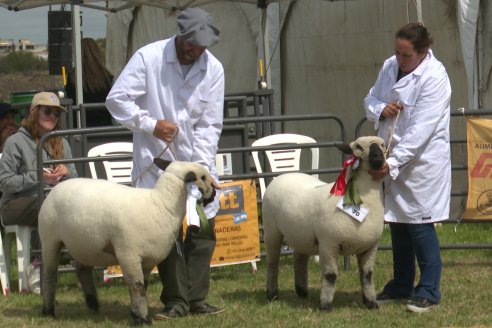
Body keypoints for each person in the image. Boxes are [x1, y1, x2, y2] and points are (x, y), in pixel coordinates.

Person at [105, 7, 224, 320]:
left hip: (196, 160)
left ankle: (196, 299)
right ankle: (176, 301)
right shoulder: (149, 57)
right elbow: (116, 100)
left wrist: (201, 169)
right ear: (180, 35)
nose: (193, 51)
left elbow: (210, 124)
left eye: (200, 47)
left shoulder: (213, 69)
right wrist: (150, 124)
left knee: (202, 227)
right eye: (188, 44)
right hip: (156, 162)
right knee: (163, 232)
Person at [364, 23, 451, 313]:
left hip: (421, 163)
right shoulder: (390, 66)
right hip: (393, 156)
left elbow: (421, 131)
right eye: (397, 53)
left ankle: (429, 290)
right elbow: (371, 99)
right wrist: (381, 109)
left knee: (421, 225)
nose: (399, 60)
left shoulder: (435, 78)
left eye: (406, 55)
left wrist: (391, 163)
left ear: (423, 52)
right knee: (398, 224)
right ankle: (401, 284)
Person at [0, 92, 78, 294]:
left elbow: (76, 181)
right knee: (47, 207)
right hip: (13, 205)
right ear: (33, 112)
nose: (52, 116)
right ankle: (37, 265)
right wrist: (38, 178)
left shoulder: (60, 142)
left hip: (51, 202)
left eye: (56, 113)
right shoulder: (15, 142)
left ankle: (79, 263)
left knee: (75, 207)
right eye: (48, 111)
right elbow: (5, 183)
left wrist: (67, 172)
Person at [65, 37, 114, 126]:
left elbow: (69, 100)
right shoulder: (108, 77)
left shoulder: (73, 77)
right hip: (105, 127)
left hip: (80, 127)